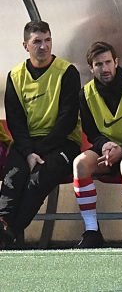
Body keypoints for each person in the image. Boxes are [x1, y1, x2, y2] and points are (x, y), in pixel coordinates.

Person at [0, 20, 82, 249]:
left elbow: (67, 120)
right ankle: (3, 223)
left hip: (62, 143)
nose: (44, 46)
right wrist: (28, 152)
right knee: (14, 177)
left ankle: (9, 233)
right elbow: (15, 122)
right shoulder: (15, 75)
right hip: (28, 144)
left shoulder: (67, 72)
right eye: (37, 42)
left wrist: (38, 152)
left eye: (48, 40)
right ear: (25, 46)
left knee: (37, 179)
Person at [73, 41, 122, 248]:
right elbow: (91, 132)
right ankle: (91, 230)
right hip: (107, 150)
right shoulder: (86, 93)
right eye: (98, 64)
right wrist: (105, 145)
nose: (105, 68)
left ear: (116, 62)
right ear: (91, 68)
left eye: (108, 62)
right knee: (80, 163)